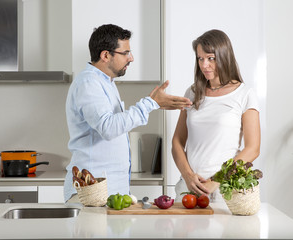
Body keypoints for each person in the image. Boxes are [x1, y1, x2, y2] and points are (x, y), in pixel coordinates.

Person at [64, 24, 192, 202]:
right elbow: (108, 127)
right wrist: (150, 103)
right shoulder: (89, 84)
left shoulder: (106, 82)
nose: (131, 58)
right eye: (125, 53)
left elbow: (114, 124)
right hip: (92, 192)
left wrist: (153, 104)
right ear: (106, 55)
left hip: (106, 193)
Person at [171, 29, 261, 202]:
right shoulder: (192, 92)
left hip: (224, 190)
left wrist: (216, 180)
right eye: (200, 58)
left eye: (211, 58)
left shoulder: (245, 94)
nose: (204, 65)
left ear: (224, 56)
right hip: (188, 188)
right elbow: (177, 141)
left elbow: (253, 148)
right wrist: (188, 176)